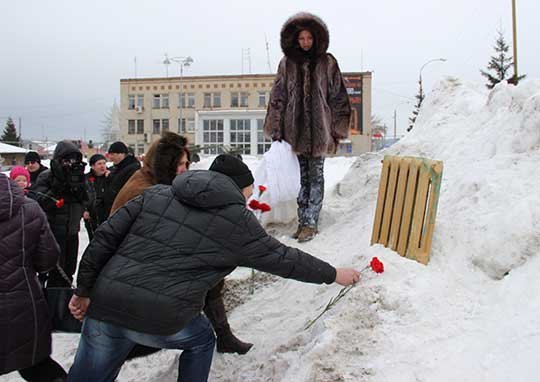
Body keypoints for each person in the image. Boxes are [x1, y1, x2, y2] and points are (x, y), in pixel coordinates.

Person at [68, 154, 360, 382]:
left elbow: (103, 239)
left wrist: (83, 290)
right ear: (238, 186)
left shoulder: (156, 195)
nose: (250, 194)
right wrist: (334, 274)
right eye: (249, 188)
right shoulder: (238, 223)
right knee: (202, 339)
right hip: (160, 317)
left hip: (106, 304)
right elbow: (285, 259)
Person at [113, 138, 253, 356]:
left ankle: (223, 335)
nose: (184, 170)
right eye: (179, 164)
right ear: (165, 163)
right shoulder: (142, 190)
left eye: (186, 164)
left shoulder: (161, 182)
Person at [264, 12, 351, 242]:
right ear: (295, 39)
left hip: (320, 131)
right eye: (301, 39)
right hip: (295, 132)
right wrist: (276, 127)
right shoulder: (287, 63)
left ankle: (311, 221)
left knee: (316, 176)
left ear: (316, 38)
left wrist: (336, 129)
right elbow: (278, 96)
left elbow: (339, 97)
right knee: (301, 177)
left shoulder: (327, 62)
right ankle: (303, 220)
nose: (305, 43)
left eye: (309, 38)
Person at [0, 173, 67, 382]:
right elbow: (47, 259)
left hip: (20, 301)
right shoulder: (30, 208)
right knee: (35, 365)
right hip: (22, 303)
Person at [30, 140, 88, 287]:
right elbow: (39, 202)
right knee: (56, 272)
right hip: (54, 232)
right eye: (67, 160)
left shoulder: (78, 177)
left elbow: (88, 201)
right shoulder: (47, 177)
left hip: (72, 231)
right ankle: (54, 304)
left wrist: (80, 189)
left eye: (74, 160)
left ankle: (64, 303)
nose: (70, 164)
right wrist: (57, 188)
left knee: (69, 271)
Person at [103, 141, 141, 216]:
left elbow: (127, 189)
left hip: (124, 209)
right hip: (116, 208)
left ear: (122, 154)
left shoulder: (132, 168)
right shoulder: (119, 167)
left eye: (113, 154)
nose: (110, 157)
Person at [83, 154, 109, 241]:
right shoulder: (85, 179)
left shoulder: (110, 176)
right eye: (99, 164)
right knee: (94, 240)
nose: (102, 166)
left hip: (107, 214)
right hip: (92, 216)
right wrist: (84, 210)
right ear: (93, 166)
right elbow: (81, 196)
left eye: (104, 163)